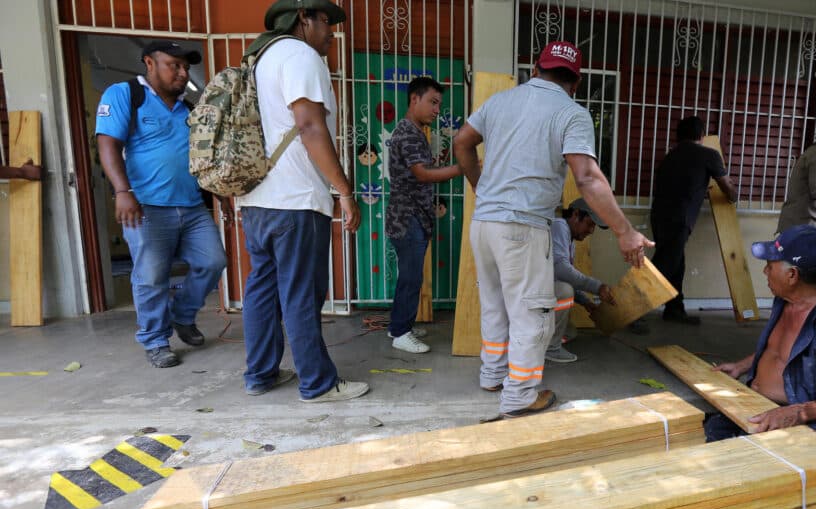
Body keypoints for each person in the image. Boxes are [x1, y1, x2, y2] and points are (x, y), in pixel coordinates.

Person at [454, 40, 653, 420]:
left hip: (485, 225)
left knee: (495, 303)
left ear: (535, 70)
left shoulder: (499, 102)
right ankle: (520, 396)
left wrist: (481, 186)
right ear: (575, 82)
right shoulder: (571, 112)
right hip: (523, 227)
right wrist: (625, 231)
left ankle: (493, 375)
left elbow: (462, 142)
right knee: (532, 312)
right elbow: (588, 178)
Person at [236, 0, 368, 402]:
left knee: (263, 287)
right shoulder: (299, 55)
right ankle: (318, 383)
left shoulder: (260, 60)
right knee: (301, 292)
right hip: (294, 199)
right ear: (302, 19)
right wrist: (344, 191)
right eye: (325, 21)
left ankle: (260, 374)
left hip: (257, 198)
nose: (331, 31)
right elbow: (310, 126)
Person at [96, 41, 227, 368]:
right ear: (149, 63)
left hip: (192, 206)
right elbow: (108, 143)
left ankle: (182, 315)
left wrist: (219, 189)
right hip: (145, 207)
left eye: (186, 68)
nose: (183, 73)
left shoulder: (189, 109)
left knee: (213, 261)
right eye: (175, 65)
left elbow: (202, 157)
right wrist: (123, 191)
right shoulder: (126, 94)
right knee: (151, 276)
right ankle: (155, 340)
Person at [710, 225, 816, 442]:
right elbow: (780, 350)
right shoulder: (786, 298)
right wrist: (742, 366)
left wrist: (798, 413)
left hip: (799, 427)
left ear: (792, 275)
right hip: (756, 406)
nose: (765, 272)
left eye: (770, 266)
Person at [386, 76, 462, 354]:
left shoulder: (416, 133)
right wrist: (463, 167)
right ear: (414, 99)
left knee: (410, 276)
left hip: (411, 218)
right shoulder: (407, 133)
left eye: (438, 104)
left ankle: (399, 325)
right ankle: (401, 333)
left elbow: (421, 169)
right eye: (432, 102)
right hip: (408, 219)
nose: (436, 109)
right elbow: (422, 174)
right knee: (411, 277)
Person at [650, 116, 737, 325]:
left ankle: (674, 309)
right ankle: (629, 311)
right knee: (664, 266)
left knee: (676, 263)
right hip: (680, 218)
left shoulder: (670, 156)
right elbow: (727, 189)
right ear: (702, 135)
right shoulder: (709, 155)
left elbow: (681, 183)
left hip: (659, 216)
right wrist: (733, 193)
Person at [546, 198, 615, 364]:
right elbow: (561, 270)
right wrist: (598, 287)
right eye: (589, 224)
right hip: (530, 291)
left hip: (542, 290)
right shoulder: (559, 226)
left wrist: (586, 303)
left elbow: (566, 276)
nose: (591, 231)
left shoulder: (570, 239)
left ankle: (543, 342)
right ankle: (550, 348)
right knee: (564, 290)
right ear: (576, 215)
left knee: (570, 333)